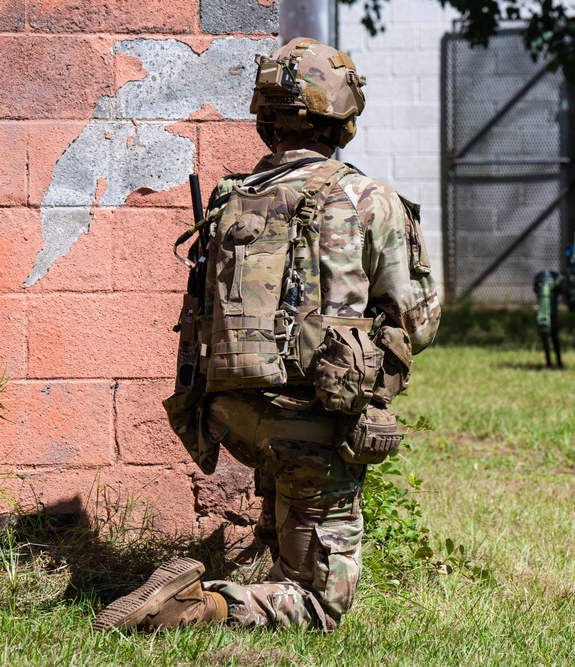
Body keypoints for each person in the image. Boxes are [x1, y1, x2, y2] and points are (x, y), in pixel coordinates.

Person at [92, 37, 440, 633]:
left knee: (287, 471)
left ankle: (272, 554)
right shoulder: (368, 199)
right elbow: (421, 321)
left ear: (265, 119)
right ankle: (197, 605)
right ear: (343, 116)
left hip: (232, 415)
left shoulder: (231, 198)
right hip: (312, 423)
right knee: (321, 606)